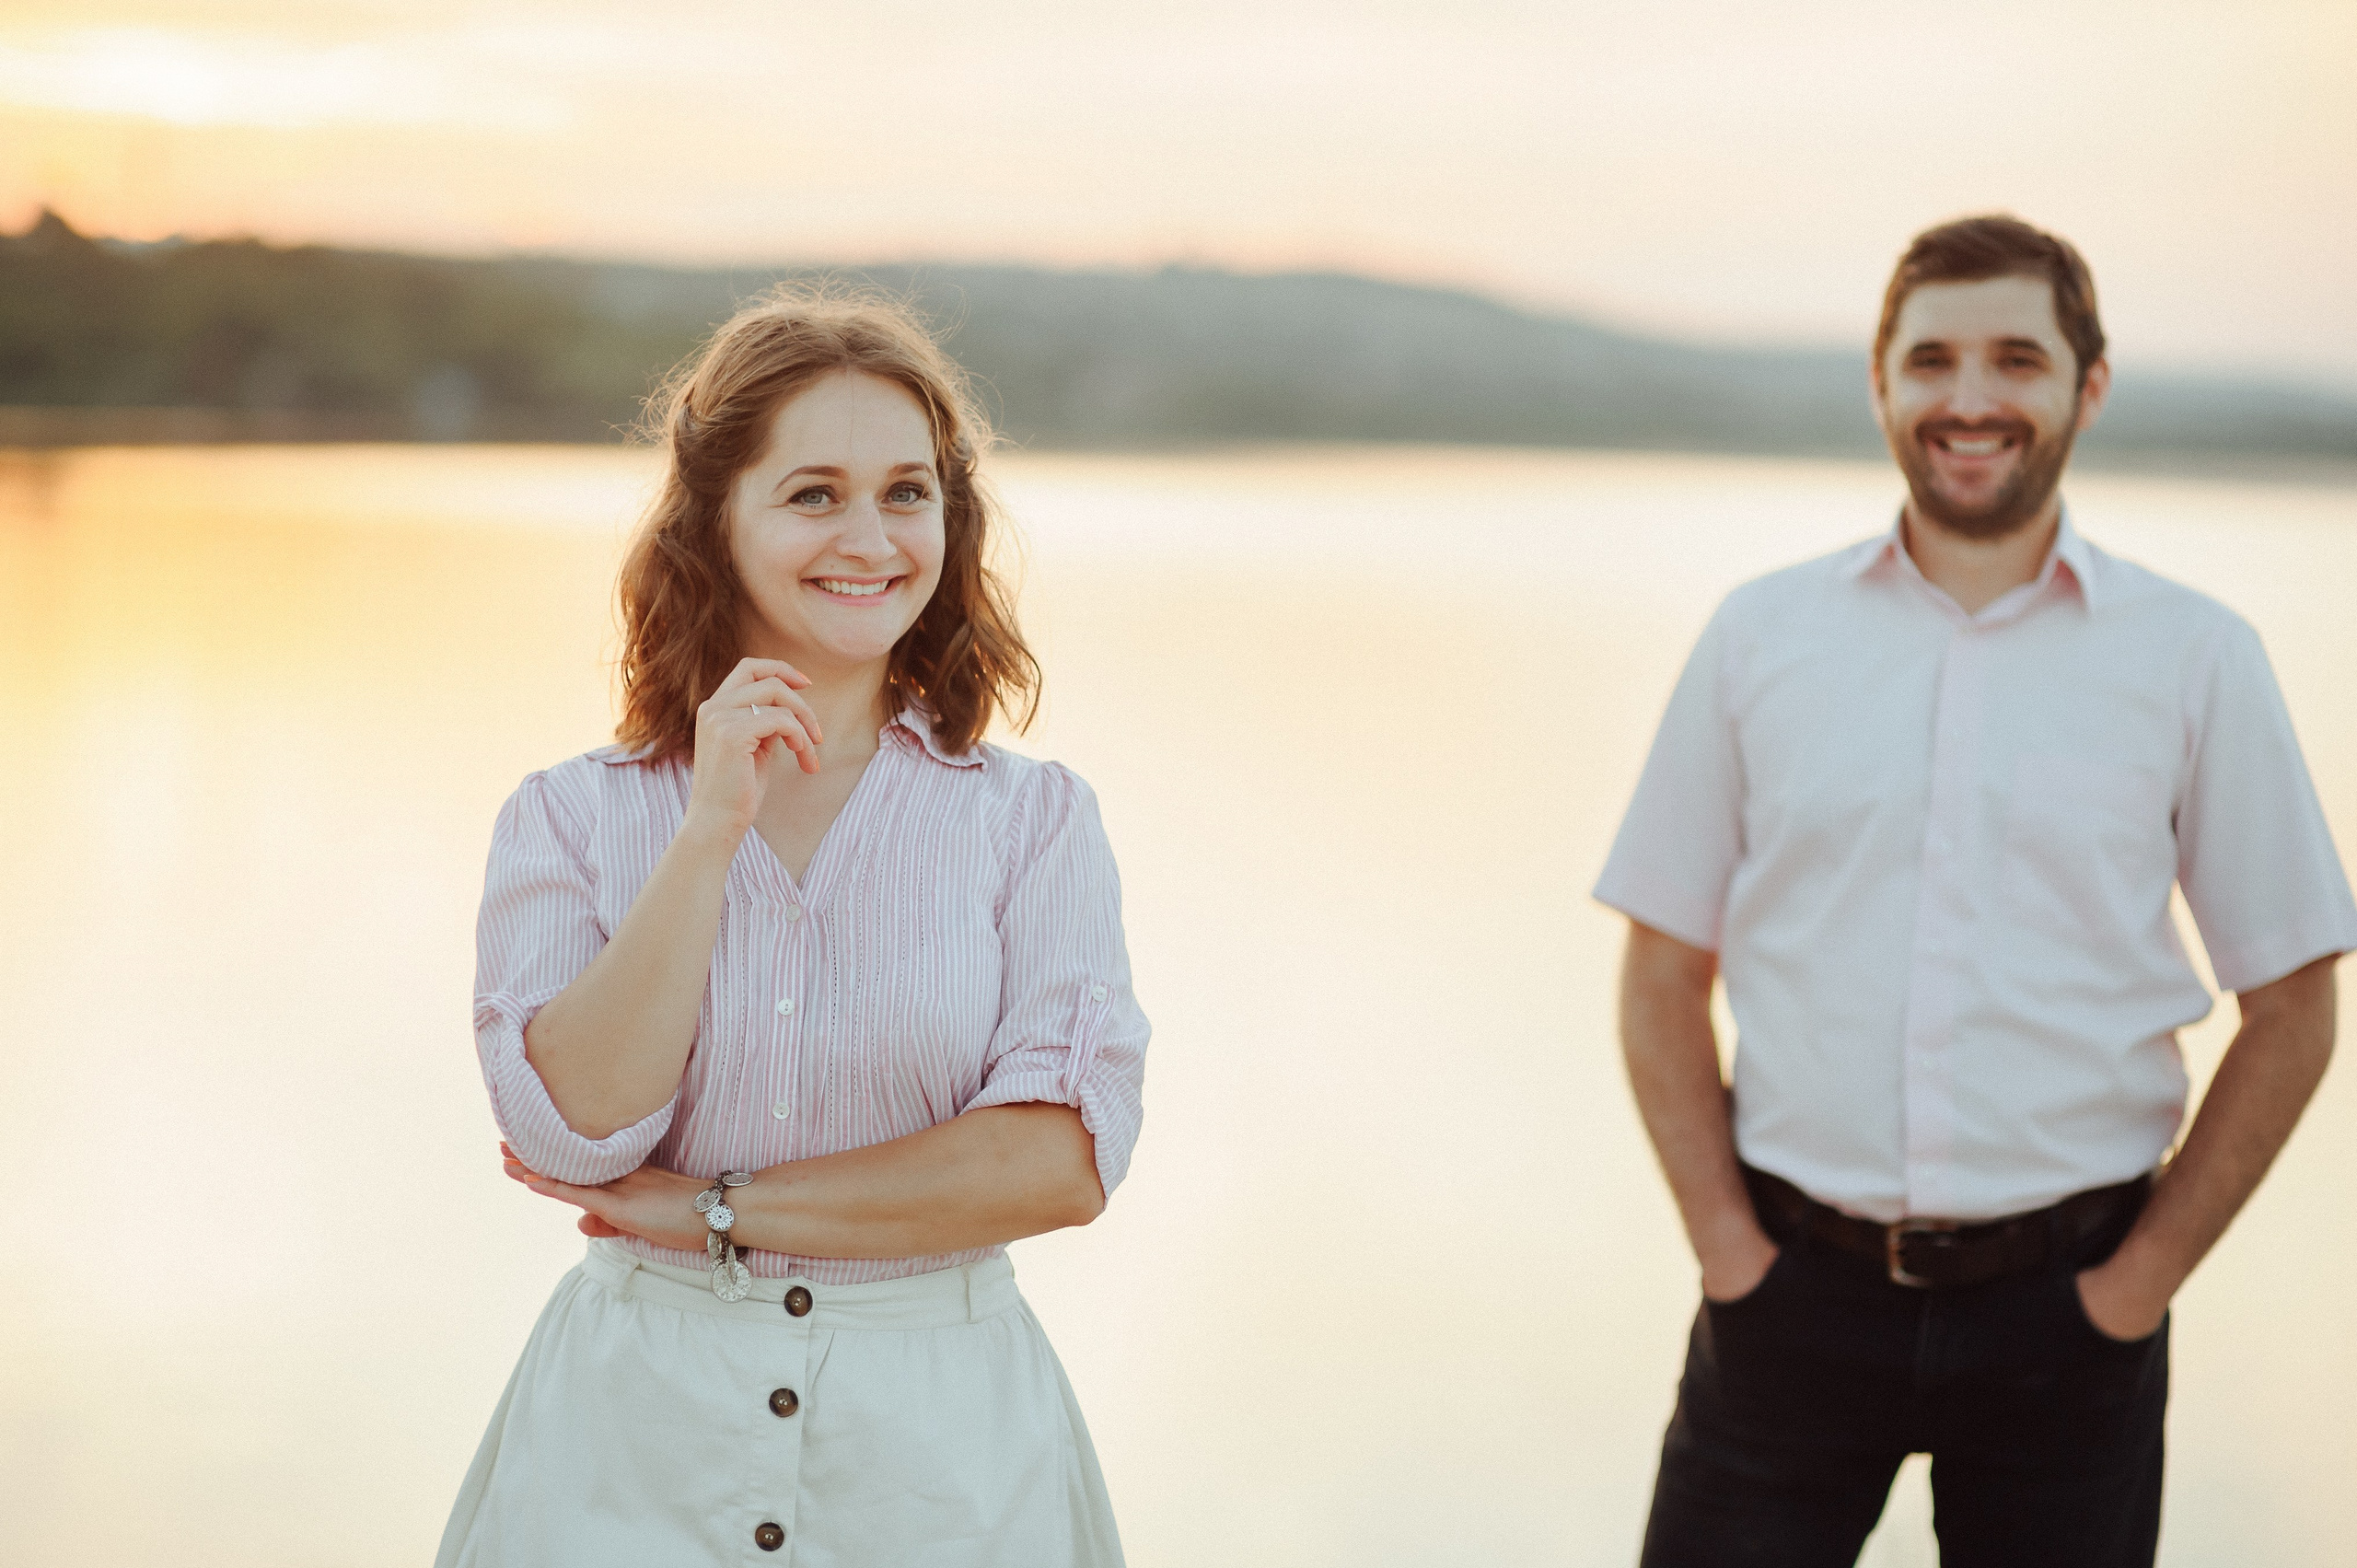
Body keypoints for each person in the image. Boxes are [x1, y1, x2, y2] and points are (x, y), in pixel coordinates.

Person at [1595, 215, 2356, 1567]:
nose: (1970, 399)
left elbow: (2296, 1001)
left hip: (2072, 1326)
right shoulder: (1759, 638)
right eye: (1931, 358)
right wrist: (1728, 1251)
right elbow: (1661, 972)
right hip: (1785, 1303)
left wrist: (2136, 1289)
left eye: (2017, 357)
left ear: (2088, 385)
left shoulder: (2197, 659)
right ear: (1880, 381)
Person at [437, 285, 1148, 1567]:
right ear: (718, 521)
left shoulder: (1034, 822)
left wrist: (708, 1211)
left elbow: (1058, 1165)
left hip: (944, 1465)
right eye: (813, 493)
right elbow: (572, 1126)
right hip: (628, 1448)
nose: (869, 537)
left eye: (907, 493)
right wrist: (706, 830)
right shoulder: (570, 817)